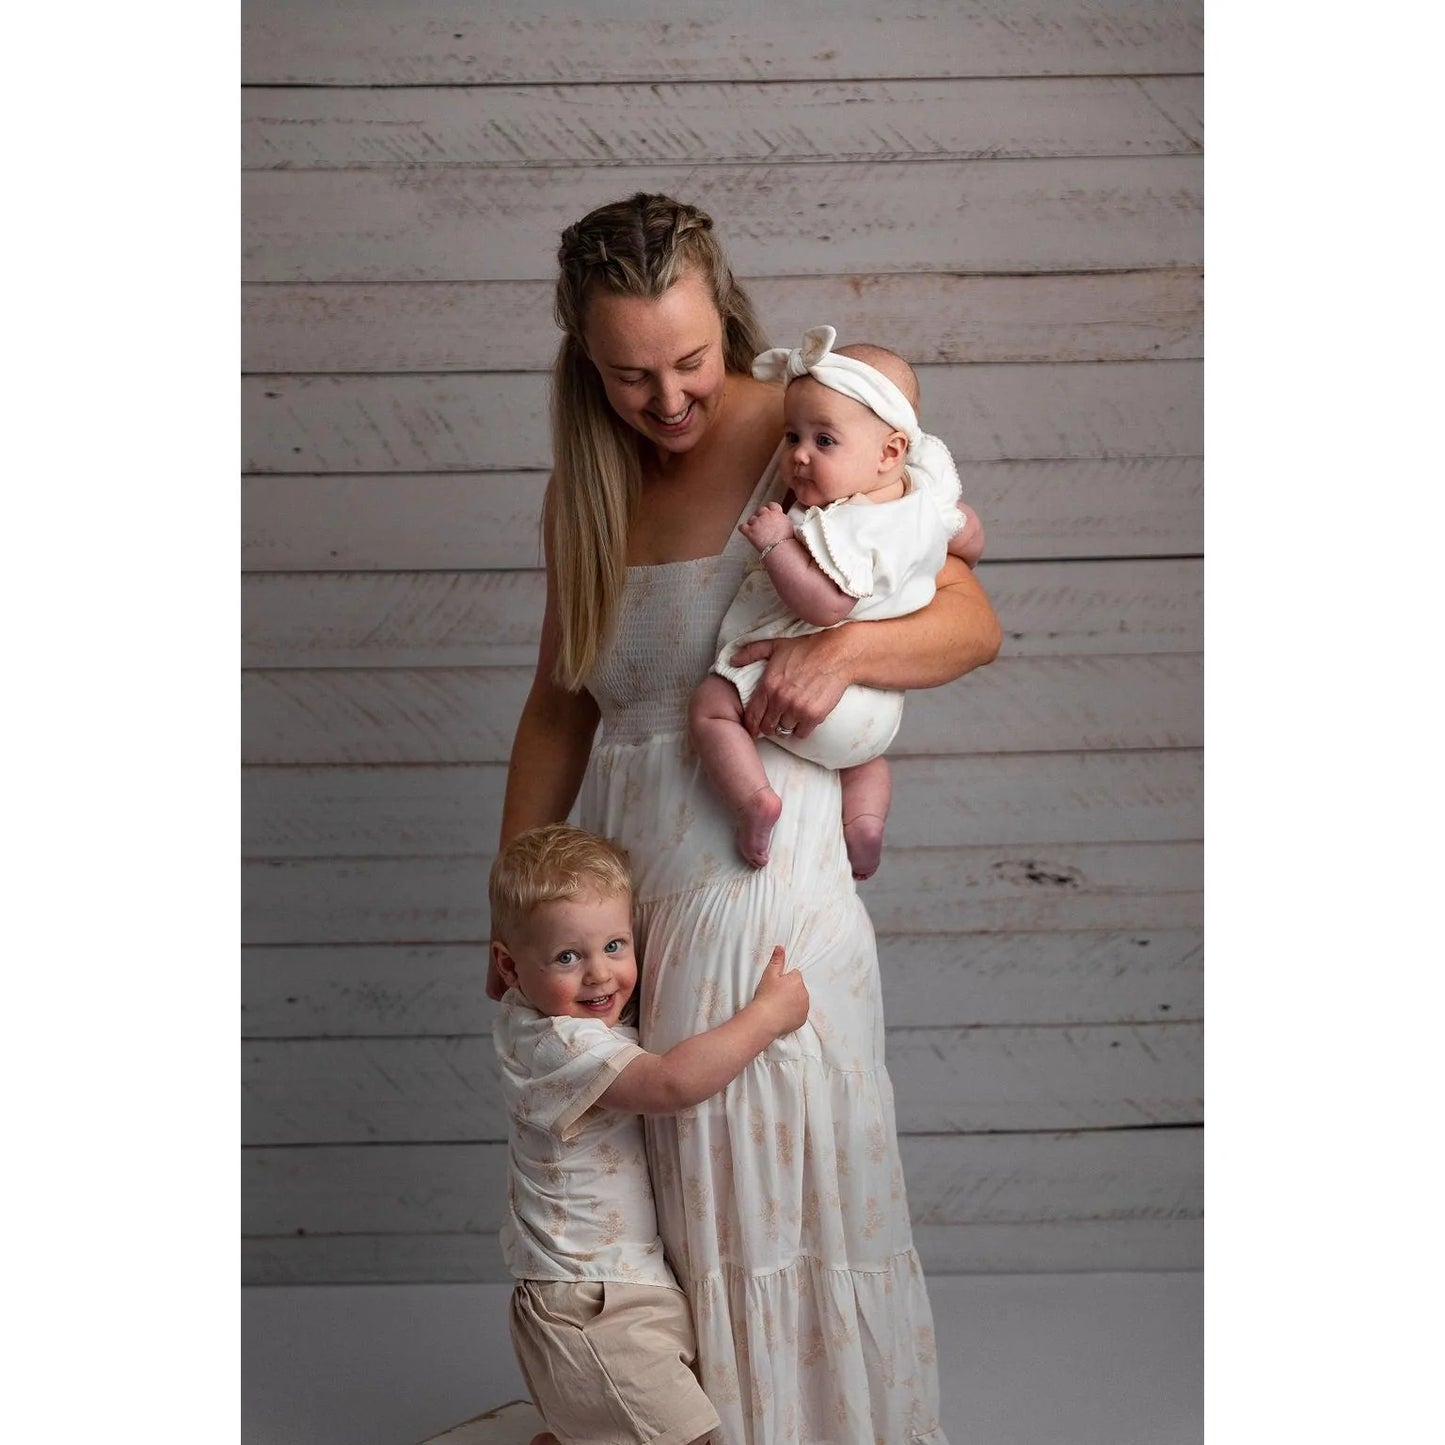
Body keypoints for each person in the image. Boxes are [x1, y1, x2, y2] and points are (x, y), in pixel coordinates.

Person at [495, 191, 1002, 1445]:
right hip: (629, 912)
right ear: (583, 363)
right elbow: (559, 705)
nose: (666, 397)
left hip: (767, 886)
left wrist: (848, 652)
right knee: (668, 1205)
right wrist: (506, 904)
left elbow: (970, 621)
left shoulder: (807, 431)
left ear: (725, 320)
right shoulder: (585, 489)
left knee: (788, 1194)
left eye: (686, 360)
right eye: (628, 375)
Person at [490, 823, 808, 1445]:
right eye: (567, 957)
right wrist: (766, 1017)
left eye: (615, 946)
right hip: (589, 1301)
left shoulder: (571, 1022)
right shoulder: (554, 1043)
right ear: (508, 965)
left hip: (622, 1287)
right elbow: (670, 1083)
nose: (599, 975)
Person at [689, 324, 985, 879]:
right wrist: (957, 539)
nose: (799, 456)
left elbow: (826, 606)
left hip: (808, 699)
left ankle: (754, 801)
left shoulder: (844, 523)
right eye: (791, 436)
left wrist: (776, 544)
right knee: (866, 762)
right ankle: (865, 825)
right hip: (875, 713)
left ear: (890, 451)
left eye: (823, 441)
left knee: (710, 706)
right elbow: (968, 534)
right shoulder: (924, 501)